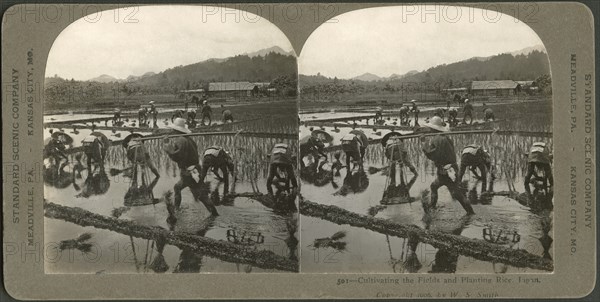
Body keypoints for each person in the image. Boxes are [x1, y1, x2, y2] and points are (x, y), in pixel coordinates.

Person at [164, 118, 219, 216]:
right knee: (178, 188)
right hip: (194, 170)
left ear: (176, 130)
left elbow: (178, 156)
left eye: (173, 130)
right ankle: (177, 209)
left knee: (201, 195)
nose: (172, 131)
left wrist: (167, 146)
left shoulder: (181, 140)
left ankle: (214, 214)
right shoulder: (188, 139)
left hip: (189, 172)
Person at [421, 116, 474, 214]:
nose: (429, 129)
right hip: (450, 169)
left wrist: (424, 143)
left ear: (433, 128)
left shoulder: (437, 139)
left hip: (446, 170)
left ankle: (470, 212)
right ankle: (432, 207)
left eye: (430, 128)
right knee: (434, 186)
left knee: (457, 194)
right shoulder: (445, 138)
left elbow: (431, 155)